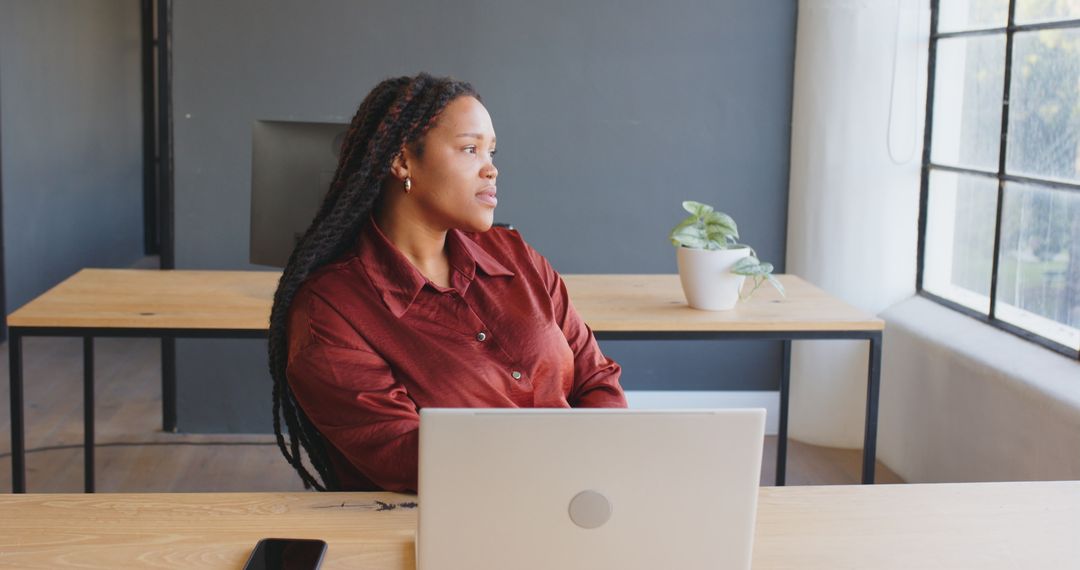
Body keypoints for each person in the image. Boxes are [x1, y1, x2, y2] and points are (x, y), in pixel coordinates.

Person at [268, 73, 627, 492]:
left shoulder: (514, 254)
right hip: (453, 517)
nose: (491, 169)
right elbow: (408, 458)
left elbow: (596, 378)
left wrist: (598, 465)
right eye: (470, 149)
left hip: (578, 495)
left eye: (491, 151)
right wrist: (567, 462)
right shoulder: (329, 311)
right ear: (402, 162)